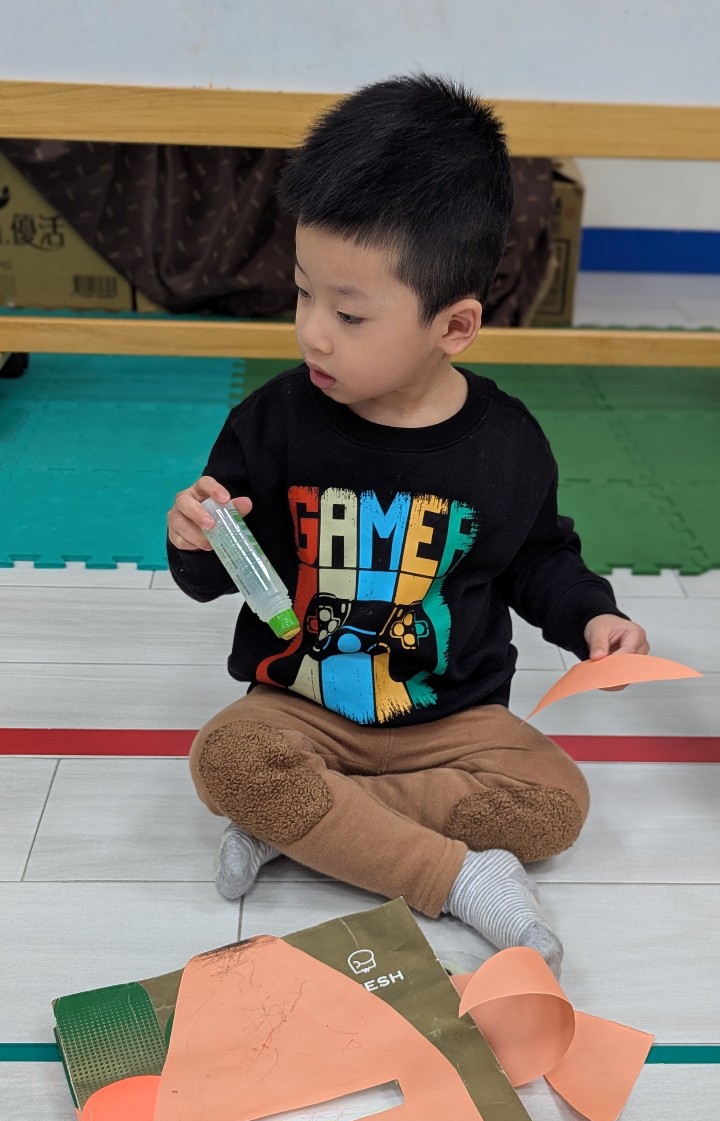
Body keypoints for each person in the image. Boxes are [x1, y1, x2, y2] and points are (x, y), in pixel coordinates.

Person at [167, 74, 649, 976]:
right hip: (302, 707)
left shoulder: (506, 442)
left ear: (454, 326)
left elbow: (538, 557)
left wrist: (594, 617)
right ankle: (460, 880)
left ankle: (307, 824)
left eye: (349, 314)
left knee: (557, 802)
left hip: (452, 720)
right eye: (302, 294)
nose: (313, 333)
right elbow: (216, 573)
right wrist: (195, 539)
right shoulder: (273, 422)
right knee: (225, 758)